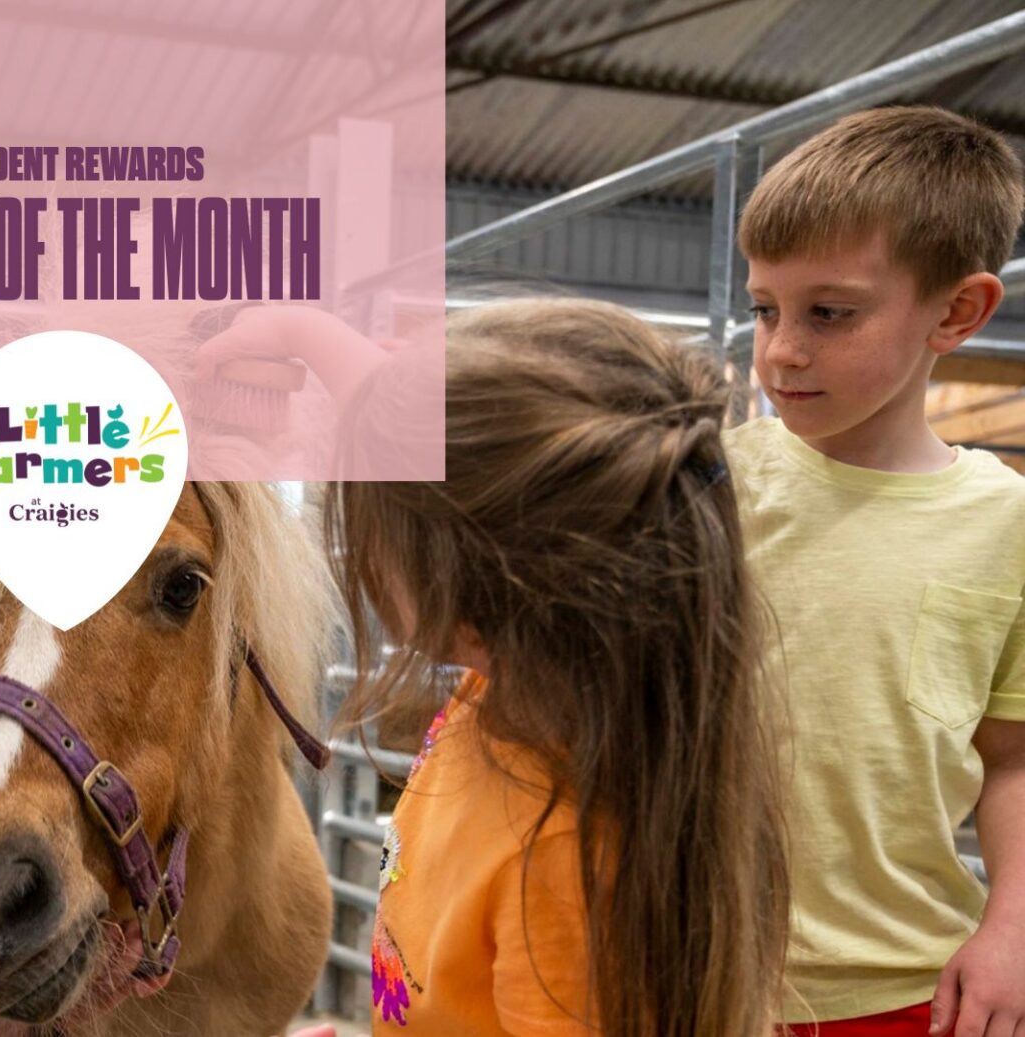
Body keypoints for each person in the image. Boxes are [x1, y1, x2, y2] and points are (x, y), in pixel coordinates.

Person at [205, 298, 792, 1035]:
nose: (369, 545)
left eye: (385, 521)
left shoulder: (564, 870)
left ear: (475, 577)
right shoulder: (511, 684)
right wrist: (298, 334)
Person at [730, 106, 1025, 1037]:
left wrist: (1011, 929)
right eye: (765, 309)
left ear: (957, 311)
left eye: (830, 312)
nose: (781, 349)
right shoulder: (707, 484)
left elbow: (1012, 754)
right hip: (692, 958)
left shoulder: (1005, 524)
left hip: (903, 988)